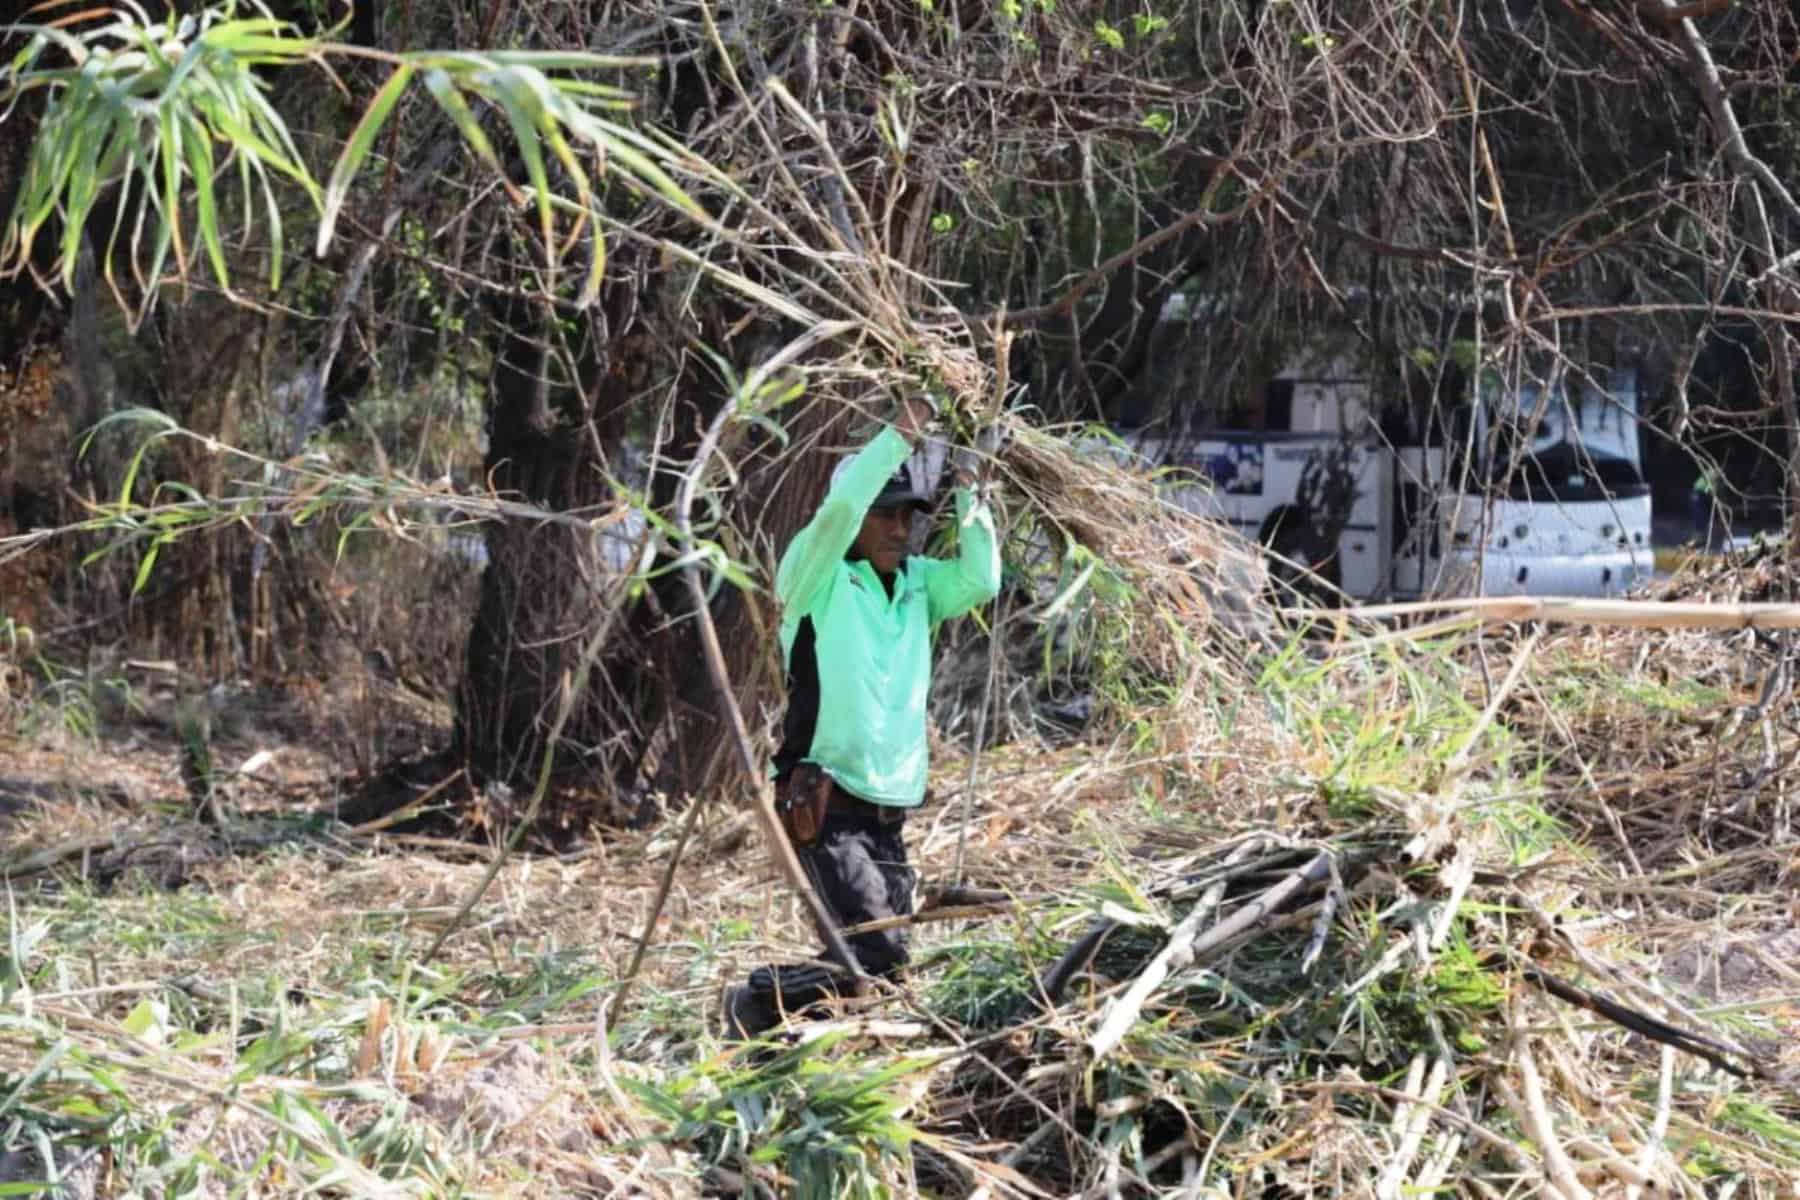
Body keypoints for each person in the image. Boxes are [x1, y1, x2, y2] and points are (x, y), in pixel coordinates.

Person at [722, 397, 1000, 1039]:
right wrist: (903, 431)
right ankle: (756, 997)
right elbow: (839, 509)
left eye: (909, 516)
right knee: (878, 954)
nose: (901, 529)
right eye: (886, 513)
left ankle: (774, 1031)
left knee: (884, 975)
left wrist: (977, 479)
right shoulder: (815, 579)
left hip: (889, 810)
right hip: (826, 803)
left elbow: (982, 579)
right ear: (854, 519)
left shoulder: (918, 587)